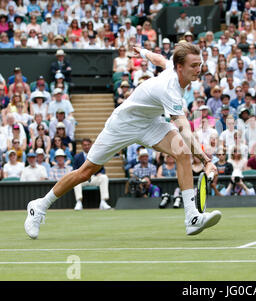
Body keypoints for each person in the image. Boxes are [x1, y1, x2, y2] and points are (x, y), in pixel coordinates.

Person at [25, 43, 221, 238]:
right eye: (194, 65)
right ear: (180, 67)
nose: (199, 69)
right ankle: (39, 206)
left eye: (200, 64)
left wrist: (143, 52)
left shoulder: (173, 68)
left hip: (150, 123)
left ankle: (192, 218)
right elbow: (184, 130)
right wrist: (206, 161)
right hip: (123, 124)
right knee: (85, 172)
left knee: (182, 152)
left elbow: (160, 59)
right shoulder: (169, 88)